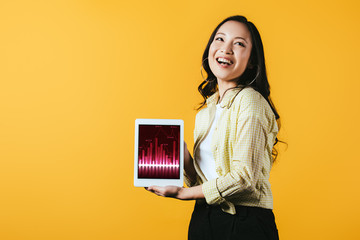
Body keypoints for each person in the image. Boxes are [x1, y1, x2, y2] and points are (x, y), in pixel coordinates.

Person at [146, 15, 281, 240]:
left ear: (252, 61)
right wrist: (182, 154)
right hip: (204, 218)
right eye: (220, 39)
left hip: (244, 223)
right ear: (210, 49)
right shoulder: (205, 111)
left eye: (238, 44)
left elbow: (243, 180)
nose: (226, 49)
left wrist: (182, 193)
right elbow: (204, 183)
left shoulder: (250, 101)